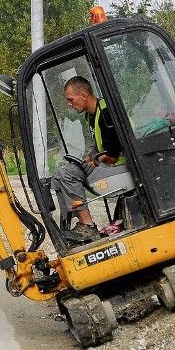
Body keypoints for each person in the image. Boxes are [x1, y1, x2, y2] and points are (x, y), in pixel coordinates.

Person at [51, 76, 124, 243]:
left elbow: (112, 155)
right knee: (60, 175)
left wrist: (90, 163)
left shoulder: (106, 113)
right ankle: (75, 224)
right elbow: (99, 146)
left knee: (67, 174)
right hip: (106, 165)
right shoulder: (91, 114)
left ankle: (88, 226)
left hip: (119, 168)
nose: (69, 104)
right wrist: (87, 159)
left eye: (71, 99)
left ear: (83, 95)